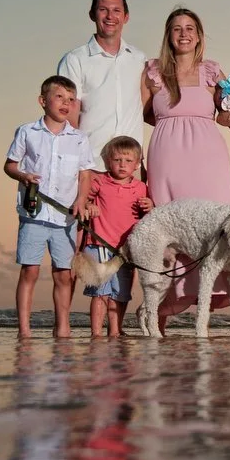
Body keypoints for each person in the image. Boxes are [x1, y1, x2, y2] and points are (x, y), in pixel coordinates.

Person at [142, 8, 230, 334]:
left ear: (199, 35)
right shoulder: (152, 71)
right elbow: (146, 115)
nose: (184, 33)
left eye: (190, 28)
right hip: (168, 160)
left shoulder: (212, 71)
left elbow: (227, 110)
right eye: (177, 28)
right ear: (169, 35)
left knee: (215, 228)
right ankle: (157, 316)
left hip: (209, 159)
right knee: (167, 230)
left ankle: (210, 311)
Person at [3, 76, 96, 338]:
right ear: (43, 101)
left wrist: (81, 199)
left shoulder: (79, 138)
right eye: (59, 97)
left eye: (71, 99)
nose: (66, 103)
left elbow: (85, 173)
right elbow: (10, 165)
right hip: (33, 214)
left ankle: (63, 327)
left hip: (64, 219)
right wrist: (23, 176)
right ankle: (24, 329)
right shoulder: (27, 132)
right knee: (30, 271)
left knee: (63, 275)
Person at [57, 0, 148, 171]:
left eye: (116, 11)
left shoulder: (139, 59)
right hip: (92, 165)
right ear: (92, 14)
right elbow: (68, 117)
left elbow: (146, 107)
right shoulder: (75, 60)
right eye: (103, 10)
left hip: (131, 170)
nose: (110, 17)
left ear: (126, 17)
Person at [79, 136, 153, 338]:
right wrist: (89, 205)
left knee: (120, 294)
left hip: (126, 250)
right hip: (99, 245)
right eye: (117, 160)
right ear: (108, 161)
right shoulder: (100, 182)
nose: (122, 165)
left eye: (128, 161)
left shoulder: (141, 188)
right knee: (100, 292)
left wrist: (150, 207)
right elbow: (83, 199)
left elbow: (148, 217)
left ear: (137, 164)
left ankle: (115, 331)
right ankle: (96, 333)